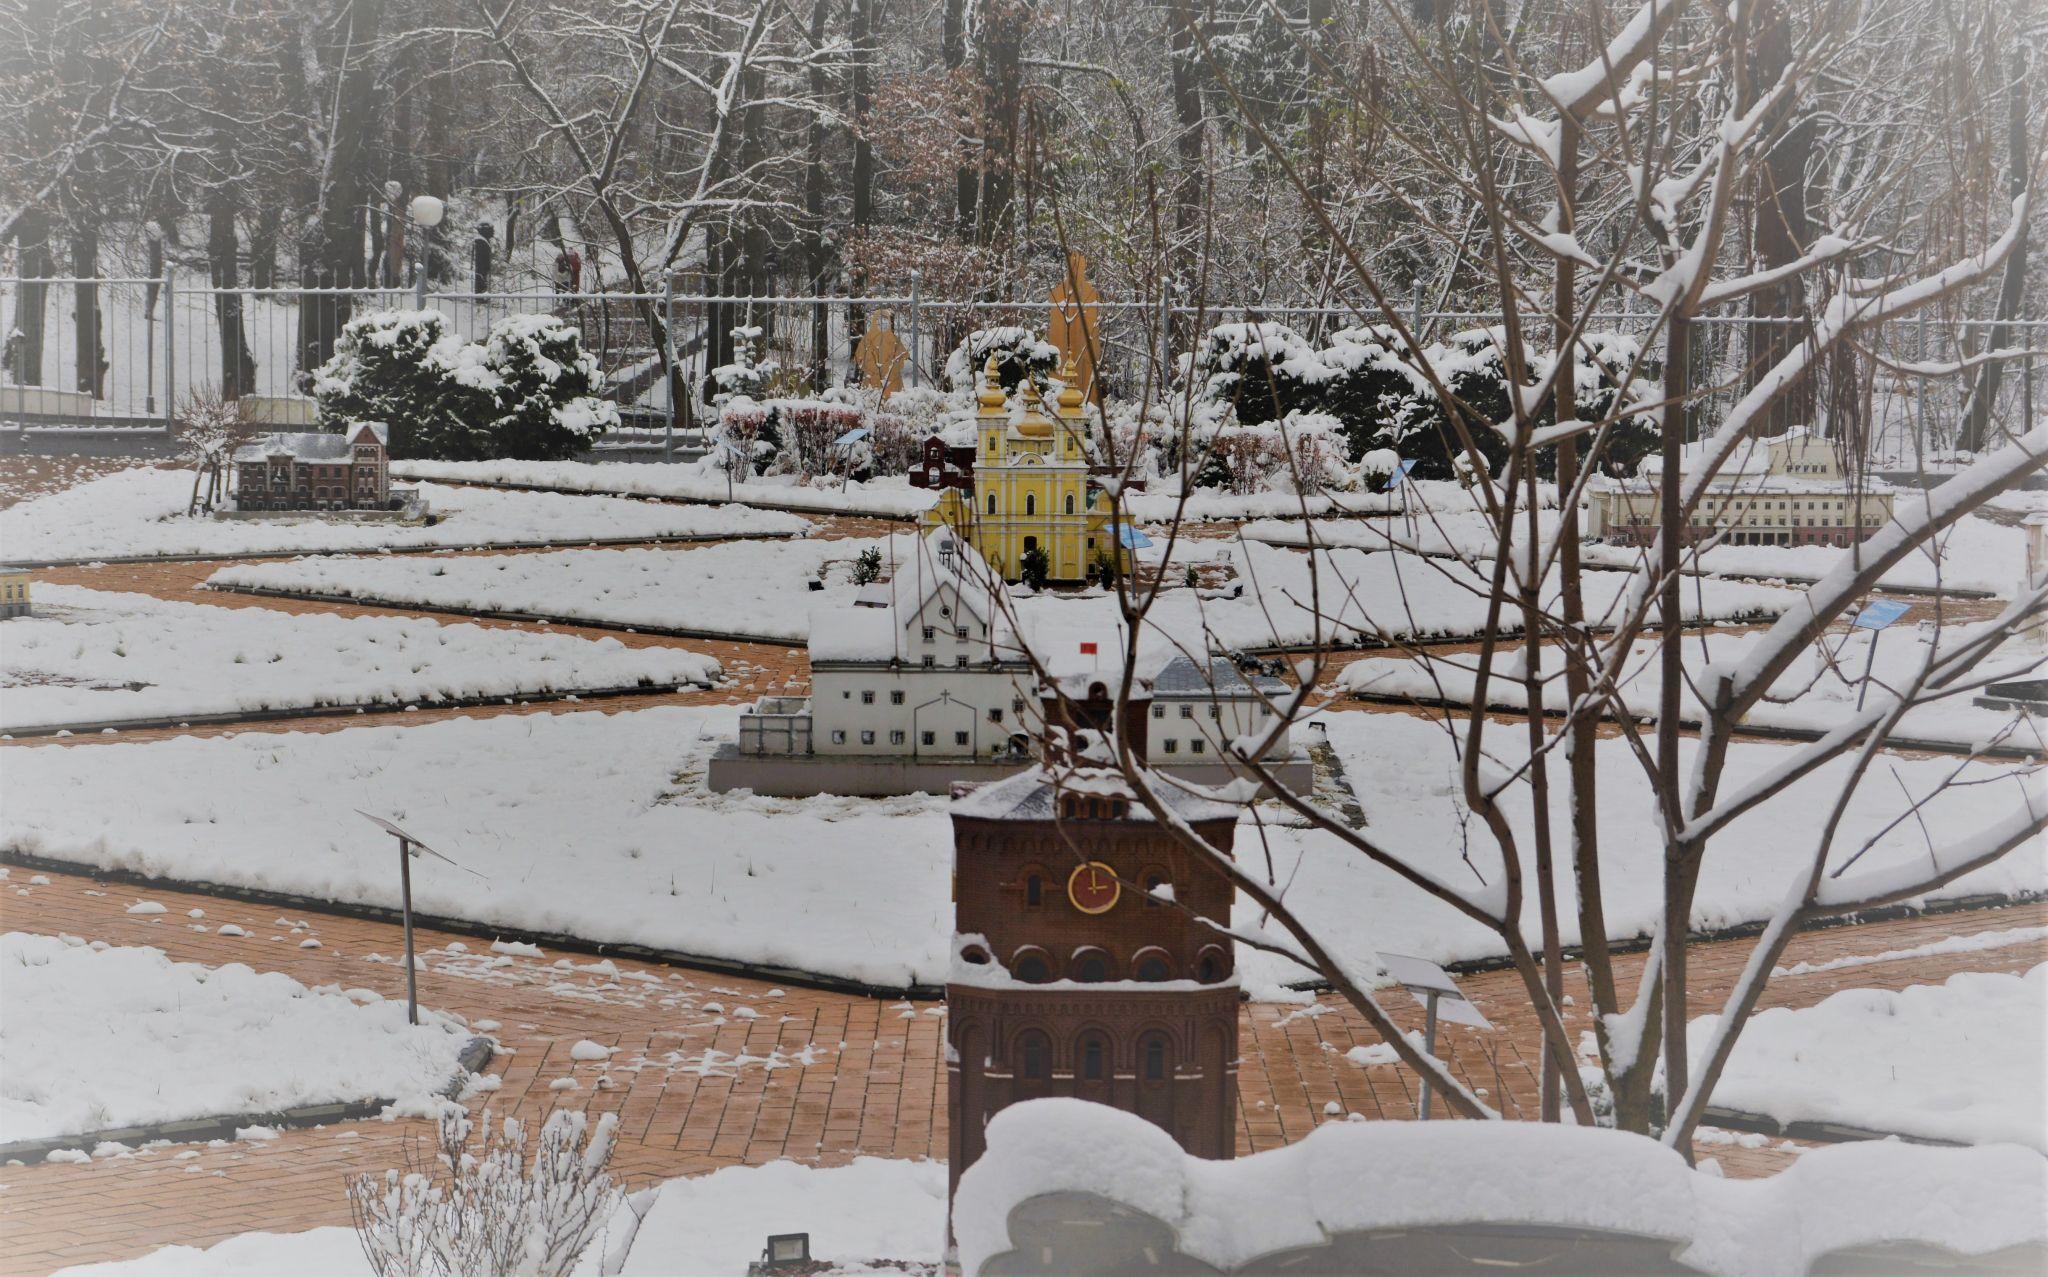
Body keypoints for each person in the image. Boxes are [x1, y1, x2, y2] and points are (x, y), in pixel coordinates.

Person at [471, 222, 494, 293]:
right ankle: (481, 297)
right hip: (481, 271)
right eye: (491, 229)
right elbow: (481, 260)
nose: (493, 232)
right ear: (485, 230)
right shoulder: (481, 242)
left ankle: (482, 296)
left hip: (483, 271)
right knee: (481, 284)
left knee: (482, 283)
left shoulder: (483, 241)